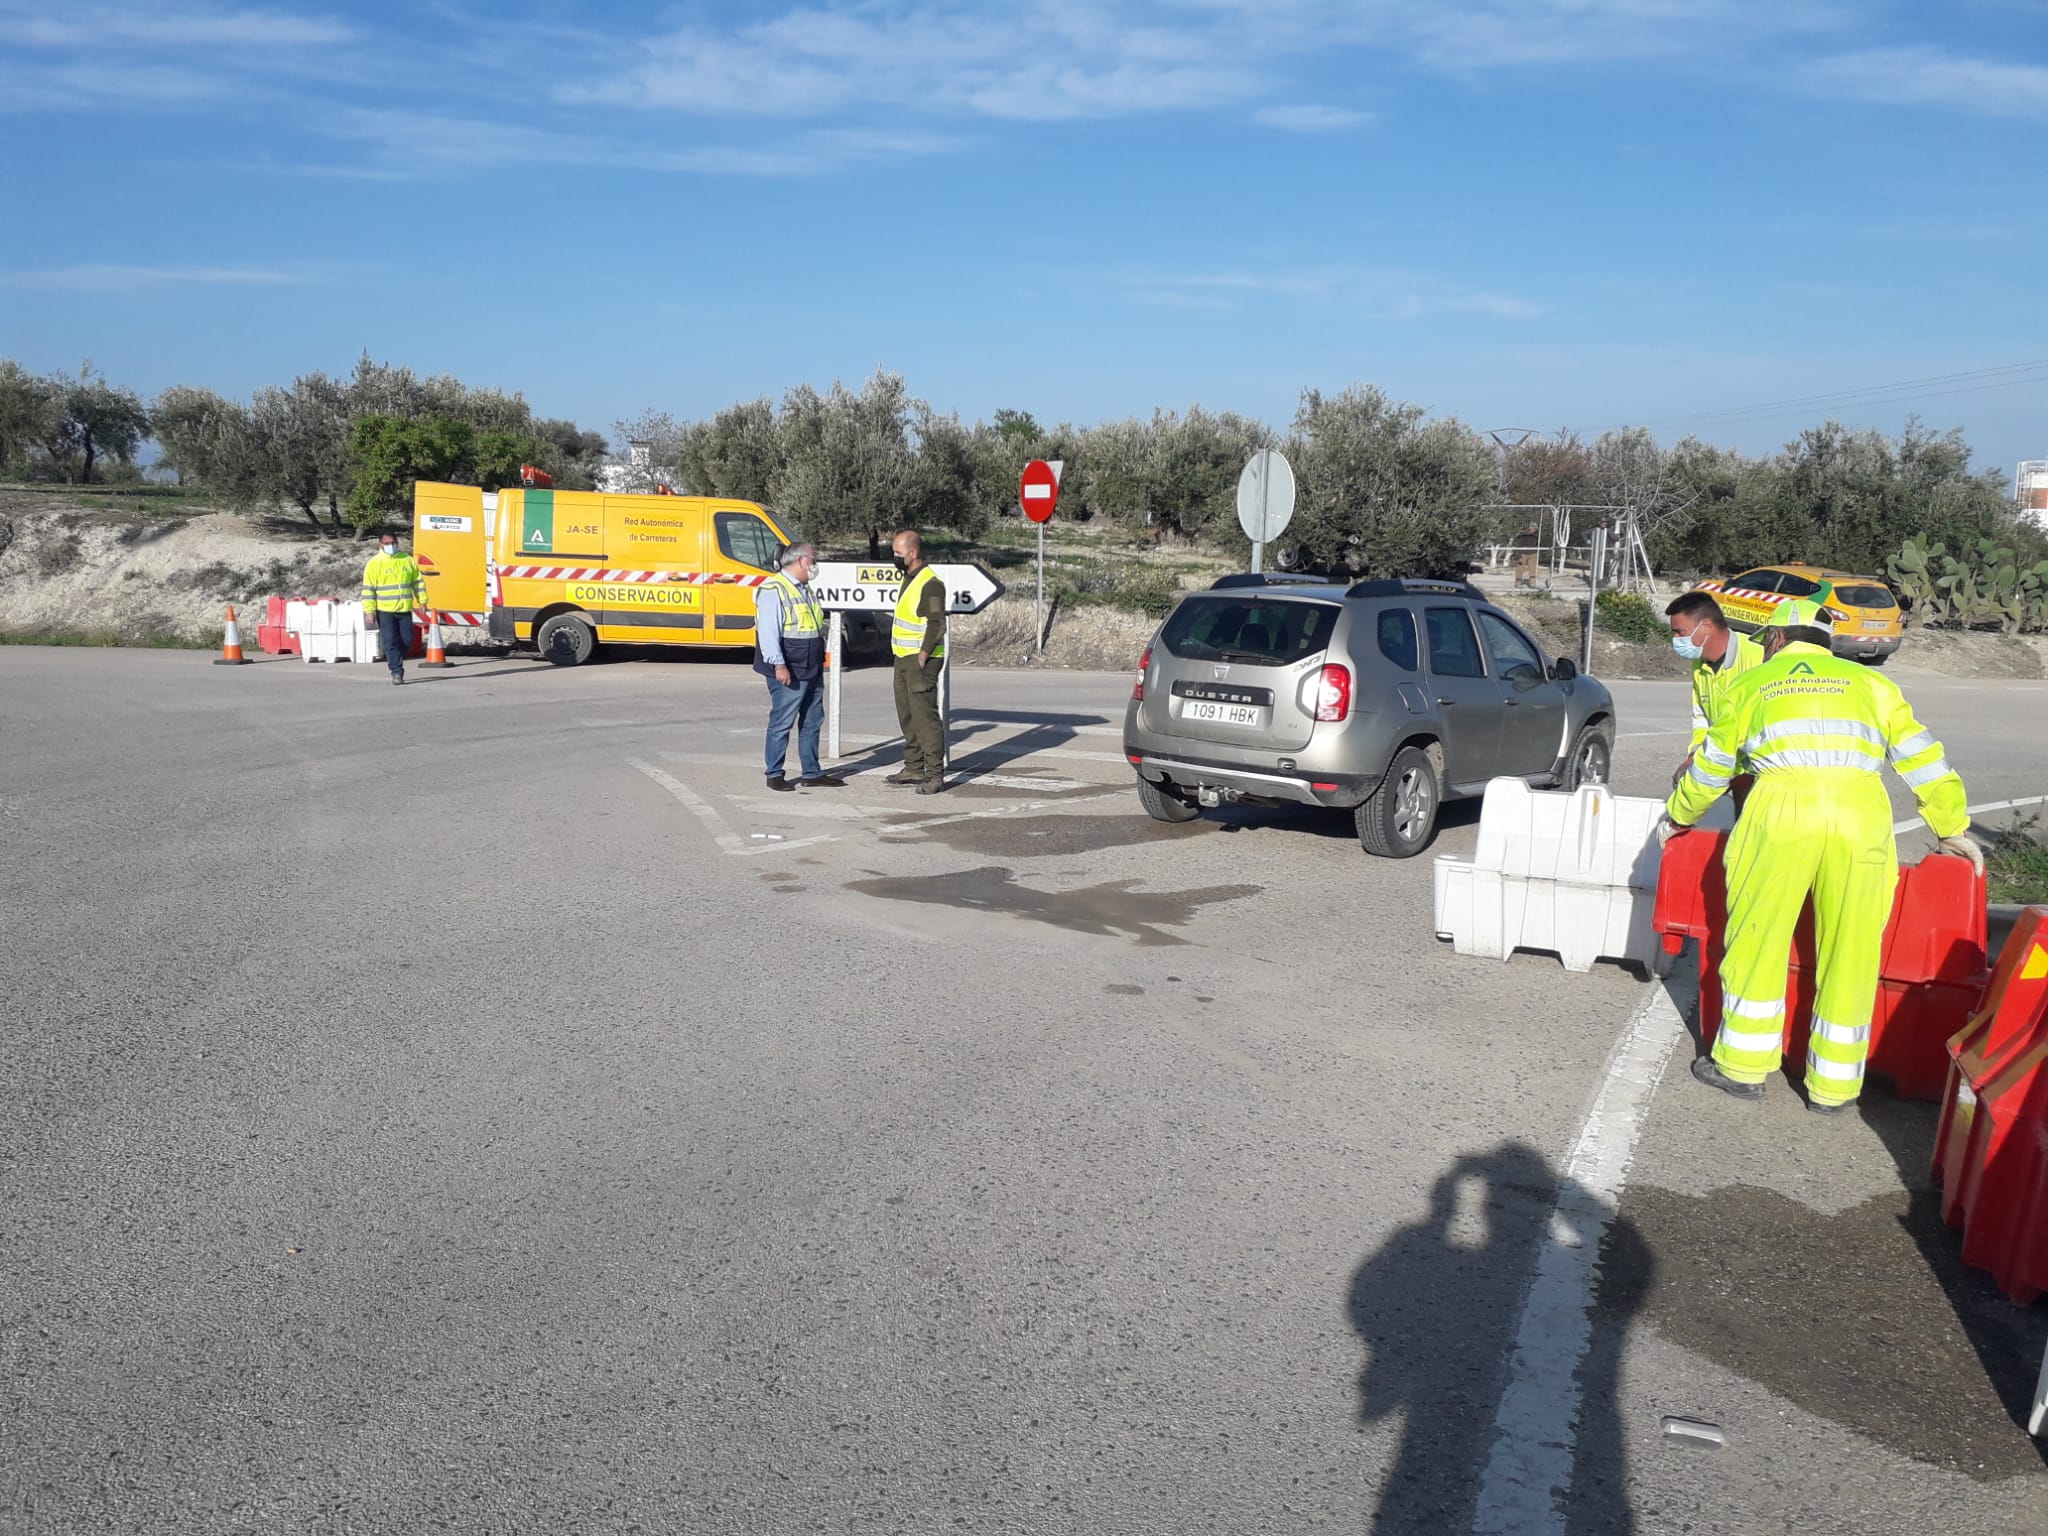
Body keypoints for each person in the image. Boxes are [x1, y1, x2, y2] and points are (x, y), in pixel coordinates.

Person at [1661, 597, 1981, 1114]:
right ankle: (1833, 1089)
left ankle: (1741, 1066)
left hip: (1779, 812)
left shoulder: (1750, 684)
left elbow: (1711, 768)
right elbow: (1924, 759)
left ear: (1776, 639)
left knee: (1757, 938)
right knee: (1852, 949)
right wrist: (1951, 828)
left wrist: (1679, 816)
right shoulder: (1873, 685)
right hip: (1860, 816)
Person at [754, 542, 842, 792]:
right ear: (801, 561)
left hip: (810, 665)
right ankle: (774, 773)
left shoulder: (804, 588)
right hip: (789, 667)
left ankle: (812, 773)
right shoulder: (773, 589)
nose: (815, 564)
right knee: (782, 721)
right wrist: (779, 665)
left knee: (813, 720)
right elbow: (768, 633)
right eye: (812, 559)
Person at [1665, 590, 1765, 797]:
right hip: (1729, 769)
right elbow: (1702, 718)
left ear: (1706, 627)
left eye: (1680, 632)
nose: (1675, 639)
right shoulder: (1700, 664)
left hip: (1761, 773)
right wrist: (1694, 756)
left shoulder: (1759, 656)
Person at [886, 529, 948, 794]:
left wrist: (923, 655)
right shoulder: (908, 578)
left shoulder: (930, 583)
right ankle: (913, 767)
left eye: (898, 553)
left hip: (921, 660)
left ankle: (934, 775)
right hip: (903, 657)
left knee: (925, 718)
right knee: (907, 716)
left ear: (913, 553)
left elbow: (937, 623)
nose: (894, 557)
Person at [360, 531, 428, 685]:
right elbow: (368, 590)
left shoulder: (407, 560)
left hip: (404, 609)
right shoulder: (374, 564)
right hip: (385, 611)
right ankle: (396, 671)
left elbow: (417, 582)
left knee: (407, 640)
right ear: (380, 545)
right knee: (390, 641)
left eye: (393, 543)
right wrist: (369, 611)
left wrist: (422, 600)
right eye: (387, 543)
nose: (391, 546)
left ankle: (396, 659)